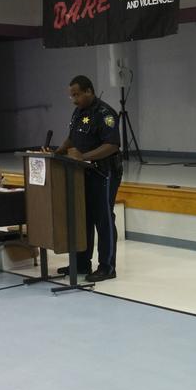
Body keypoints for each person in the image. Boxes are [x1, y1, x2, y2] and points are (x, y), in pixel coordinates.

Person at [50, 75, 122, 282]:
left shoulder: (105, 113)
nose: (74, 99)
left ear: (89, 91)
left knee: (103, 218)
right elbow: (73, 136)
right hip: (82, 173)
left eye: (77, 94)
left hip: (104, 172)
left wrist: (84, 157)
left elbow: (112, 145)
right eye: (72, 95)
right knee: (83, 217)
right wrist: (58, 151)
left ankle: (107, 267)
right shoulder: (79, 112)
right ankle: (82, 263)